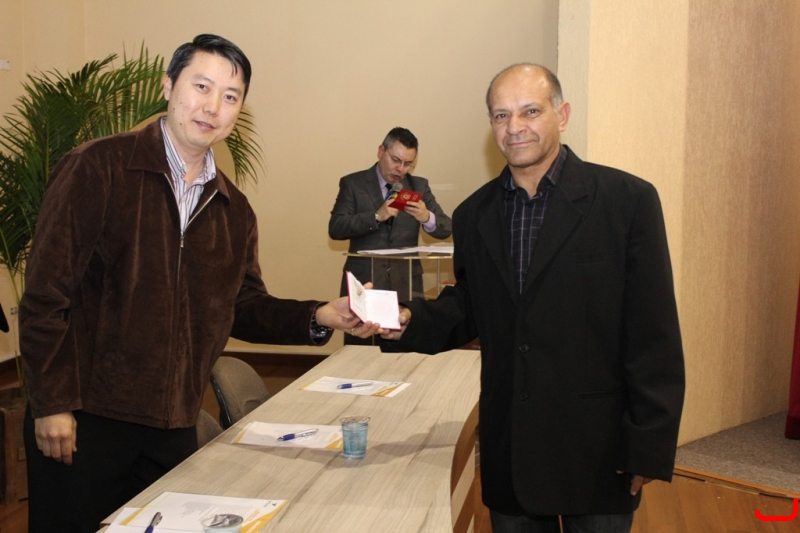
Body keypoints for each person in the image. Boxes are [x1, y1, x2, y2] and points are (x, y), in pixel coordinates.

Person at [18, 34, 378, 533]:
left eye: (230, 96)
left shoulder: (234, 210)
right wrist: (52, 403)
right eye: (201, 86)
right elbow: (46, 294)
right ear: (169, 86)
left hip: (173, 425)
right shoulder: (99, 167)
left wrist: (319, 315)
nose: (212, 107)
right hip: (85, 420)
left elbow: (242, 305)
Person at [380, 64, 685, 533]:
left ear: (562, 115)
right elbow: (471, 305)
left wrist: (648, 445)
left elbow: (653, 332)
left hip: (598, 450)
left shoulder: (627, 201)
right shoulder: (474, 213)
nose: (515, 127)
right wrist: (405, 318)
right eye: (501, 115)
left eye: (530, 111)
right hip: (512, 447)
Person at [329, 127, 452, 344]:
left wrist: (426, 217)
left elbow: (446, 228)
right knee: (361, 351)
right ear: (381, 151)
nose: (400, 169)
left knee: (407, 351)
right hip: (365, 284)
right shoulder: (353, 183)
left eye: (407, 164)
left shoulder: (418, 186)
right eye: (395, 160)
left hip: (406, 284)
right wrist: (376, 216)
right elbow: (336, 227)